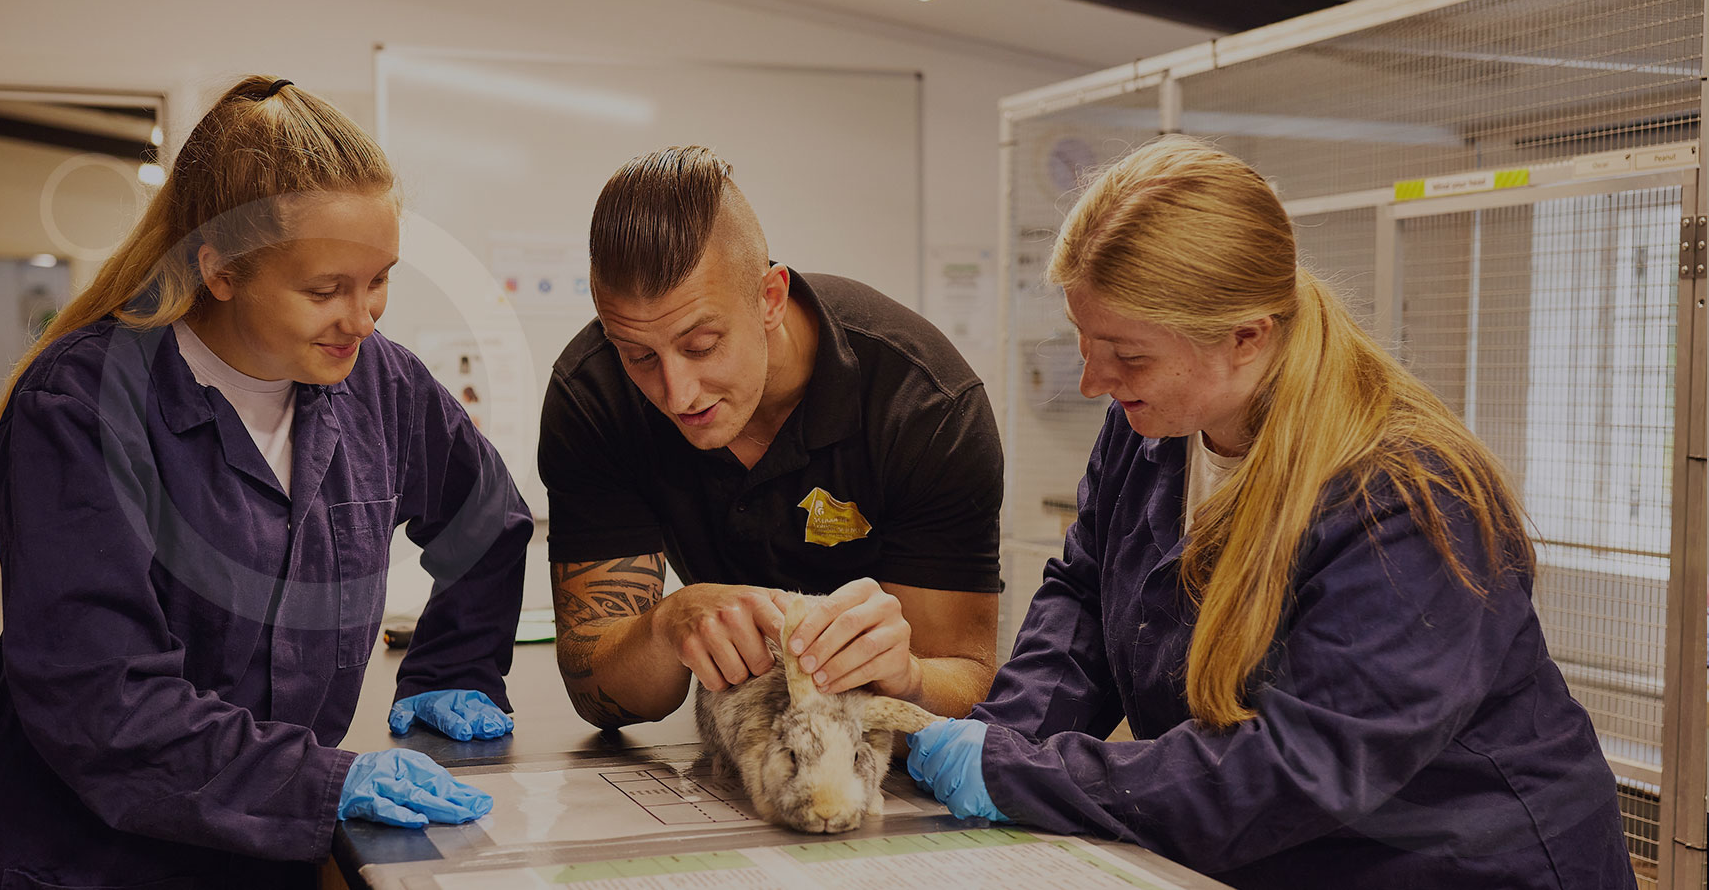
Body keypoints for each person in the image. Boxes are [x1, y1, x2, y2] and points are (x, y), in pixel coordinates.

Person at [904, 135, 1635, 888]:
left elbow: (1306, 763)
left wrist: (1030, 775)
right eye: (1084, 342)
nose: (1094, 380)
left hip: (1456, 862)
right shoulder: (1148, 431)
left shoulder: (1409, 497)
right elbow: (1084, 598)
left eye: (1128, 354)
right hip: (1276, 852)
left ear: (1248, 336)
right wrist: (1000, 737)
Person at [0, 76, 531, 890]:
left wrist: (457, 666)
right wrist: (322, 783)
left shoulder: (379, 384)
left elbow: (487, 521)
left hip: (259, 860)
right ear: (219, 270)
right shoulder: (79, 406)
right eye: (326, 290)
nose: (363, 318)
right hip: (84, 861)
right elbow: (102, 700)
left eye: (379, 279)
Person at [539, 146, 1002, 728]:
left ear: (770, 299)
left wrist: (906, 674)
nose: (677, 394)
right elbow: (602, 696)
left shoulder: (924, 407)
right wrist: (666, 625)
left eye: (701, 347)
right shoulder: (596, 394)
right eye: (638, 356)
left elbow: (967, 685)